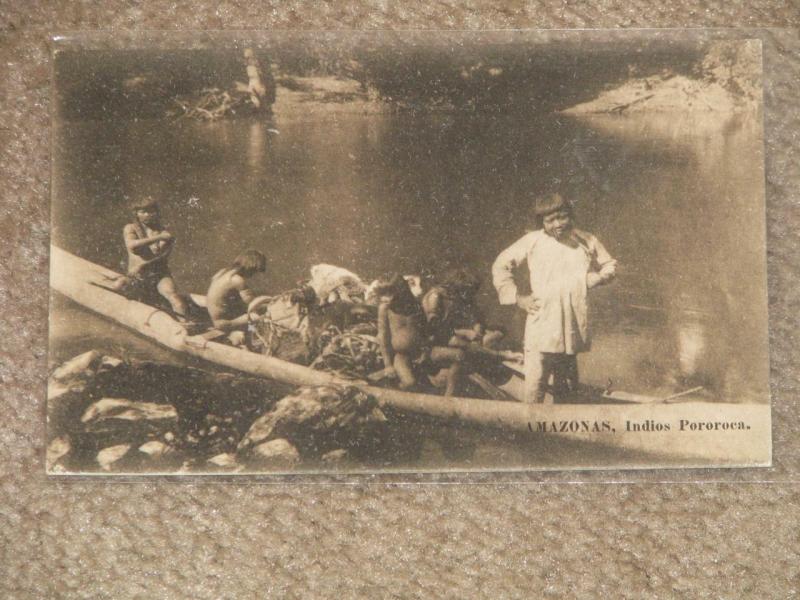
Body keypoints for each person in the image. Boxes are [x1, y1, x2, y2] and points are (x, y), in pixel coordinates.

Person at [492, 193, 617, 403]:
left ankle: (561, 420)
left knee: (567, 380)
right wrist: (518, 297)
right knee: (536, 379)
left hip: (572, 322)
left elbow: (610, 264)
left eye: (563, 217)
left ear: (570, 216)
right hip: (543, 320)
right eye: (550, 220)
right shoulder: (532, 241)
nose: (558, 224)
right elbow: (501, 264)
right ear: (541, 222)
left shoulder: (585, 240)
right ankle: (530, 421)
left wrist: (599, 278)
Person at [375, 273, 465, 396]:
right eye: (382, 294)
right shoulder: (385, 309)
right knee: (409, 383)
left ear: (401, 290)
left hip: (422, 351)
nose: (385, 299)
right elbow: (383, 338)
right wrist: (388, 365)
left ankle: (449, 397)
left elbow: (426, 331)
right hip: (402, 355)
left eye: (389, 294)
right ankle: (395, 393)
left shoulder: (415, 305)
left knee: (459, 355)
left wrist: (425, 350)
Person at [116, 197, 191, 322]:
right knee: (118, 285)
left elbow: (161, 256)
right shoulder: (130, 228)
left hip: (159, 276)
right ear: (136, 214)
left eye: (151, 211)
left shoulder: (164, 232)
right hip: (137, 276)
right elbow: (132, 246)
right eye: (143, 212)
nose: (147, 215)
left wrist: (160, 237)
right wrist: (158, 238)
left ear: (156, 212)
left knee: (174, 296)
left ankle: (186, 324)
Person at [206, 250, 267, 345]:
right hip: (223, 323)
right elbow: (253, 303)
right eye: (254, 271)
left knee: (245, 311)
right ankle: (252, 339)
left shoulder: (223, 272)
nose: (253, 275)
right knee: (256, 316)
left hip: (214, 318)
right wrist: (269, 303)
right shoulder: (238, 280)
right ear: (250, 267)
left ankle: (248, 333)